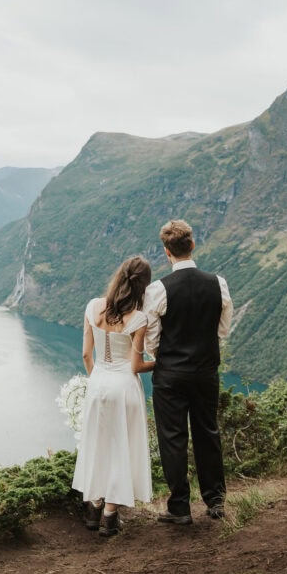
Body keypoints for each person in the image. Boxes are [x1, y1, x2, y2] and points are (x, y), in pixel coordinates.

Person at [143, 219, 233, 524]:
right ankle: (215, 500)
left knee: (173, 437)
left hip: (171, 375)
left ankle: (180, 507)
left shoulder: (157, 290)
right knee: (208, 431)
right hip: (206, 370)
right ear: (192, 245)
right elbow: (222, 330)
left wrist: (169, 356)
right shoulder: (217, 282)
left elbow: (151, 341)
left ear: (166, 252)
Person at [72, 256, 154, 537]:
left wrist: (98, 377)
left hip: (98, 384)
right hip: (124, 387)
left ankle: (93, 507)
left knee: (98, 444)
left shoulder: (93, 307)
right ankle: (110, 514)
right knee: (122, 448)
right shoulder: (139, 318)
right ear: (143, 286)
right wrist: (161, 362)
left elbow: (85, 354)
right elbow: (136, 366)